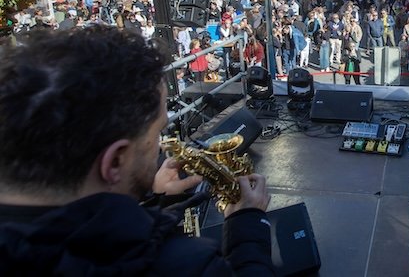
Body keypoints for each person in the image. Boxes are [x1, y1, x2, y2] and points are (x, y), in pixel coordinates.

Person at [0, 26, 274, 275]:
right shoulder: (185, 265)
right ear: (115, 161)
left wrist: (154, 201)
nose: (159, 145)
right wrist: (247, 227)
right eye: (156, 133)